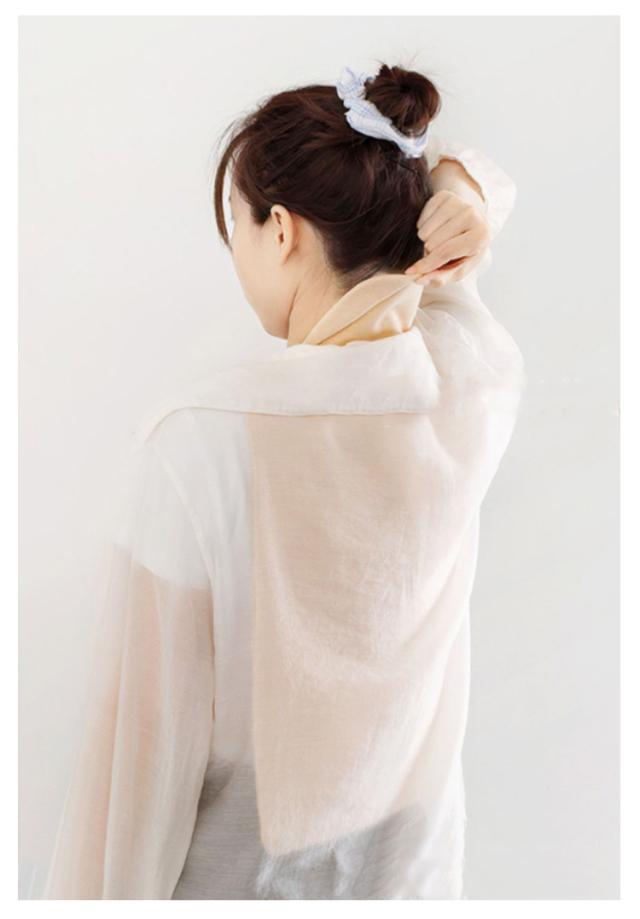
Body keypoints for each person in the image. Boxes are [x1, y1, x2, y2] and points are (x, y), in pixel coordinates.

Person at [41, 62, 526, 900]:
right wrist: (462, 197)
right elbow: (465, 213)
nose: (234, 250)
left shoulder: (201, 439)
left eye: (236, 221)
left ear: (281, 231)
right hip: (408, 883)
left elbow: (136, 764)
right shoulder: (468, 384)